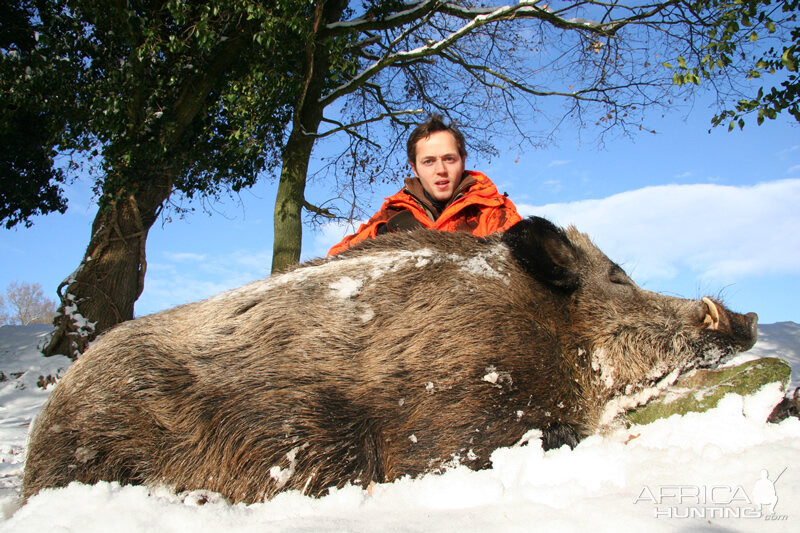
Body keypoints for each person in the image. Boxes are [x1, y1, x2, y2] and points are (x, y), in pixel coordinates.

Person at [328, 115, 522, 256]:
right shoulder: (393, 214)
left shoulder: (493, 210)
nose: (441, 170)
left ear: (463, 161)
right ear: (415, 168)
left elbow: (523, 267)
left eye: (449, 159)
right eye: (429, 161)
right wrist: (382, 235)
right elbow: (335, 259)